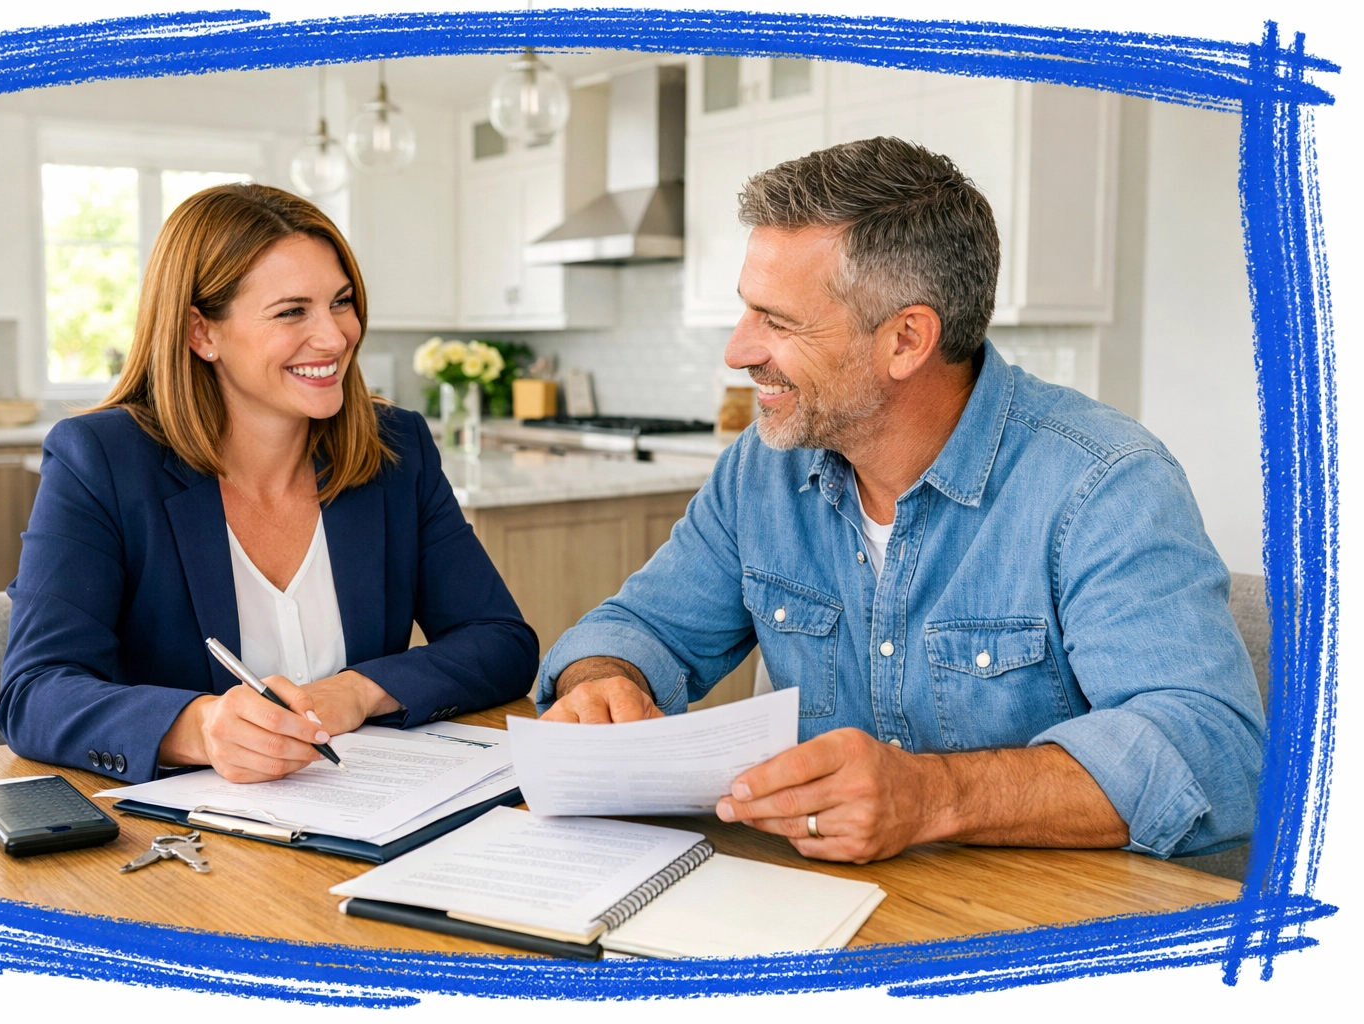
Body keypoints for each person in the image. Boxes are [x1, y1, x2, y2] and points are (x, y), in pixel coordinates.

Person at [537, 137, 1264, 864]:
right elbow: (640, 626)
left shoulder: (1105, 484)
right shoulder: (761, 470)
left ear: (907, 340)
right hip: (813, 904)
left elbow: (1213, 751)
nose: (737, 350)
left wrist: (933, 796)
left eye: (778, 321)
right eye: (746, 312)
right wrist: (606, 678)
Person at [0, 184, 538, 785]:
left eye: (341, 302)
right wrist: (201, 727)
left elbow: (500, 641)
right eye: (291, 312)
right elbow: (35, 692)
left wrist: (358, 691)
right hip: (187, 838)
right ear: (202, 334)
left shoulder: (396, 449)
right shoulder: (100, 460)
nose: (335, 337)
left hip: (365, 806)